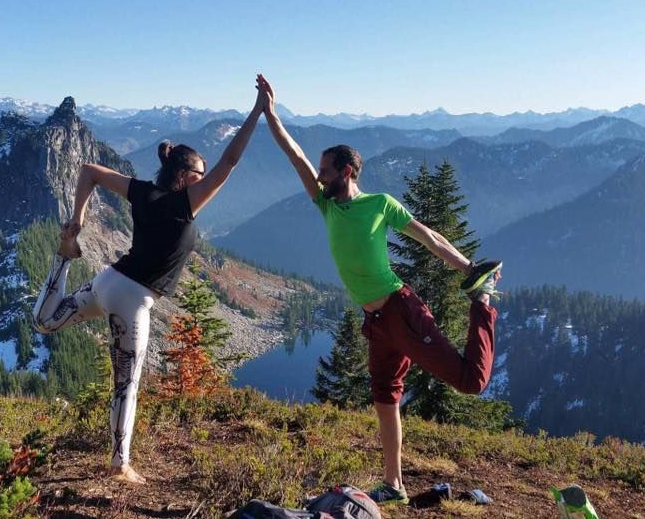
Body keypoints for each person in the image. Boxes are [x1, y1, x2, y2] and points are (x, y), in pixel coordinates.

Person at [256, 74, 503, 505]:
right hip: (376, 322)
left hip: (400, 310)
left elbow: (428, 237)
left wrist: (469, 270)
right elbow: (295, 158)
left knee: (470, 381)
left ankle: (482, 302)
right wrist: (270, 114)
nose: (318, 175)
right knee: (385, 399)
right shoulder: (326, 203)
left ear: (346, 172)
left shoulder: (380, 204)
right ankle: (394, 485)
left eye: (326, 170)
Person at [32, 77, 268, 484]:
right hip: (133, 299)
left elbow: (88, 171)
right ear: (186, 174)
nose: (206, 178)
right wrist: (258, 110)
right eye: (200, 173)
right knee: (127, 384)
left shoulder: (142, 193)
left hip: (107, 283)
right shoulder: (184, 204)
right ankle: (119, 464)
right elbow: (230, 163)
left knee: (44, 321)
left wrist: (79, 219)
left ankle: (63, 258)